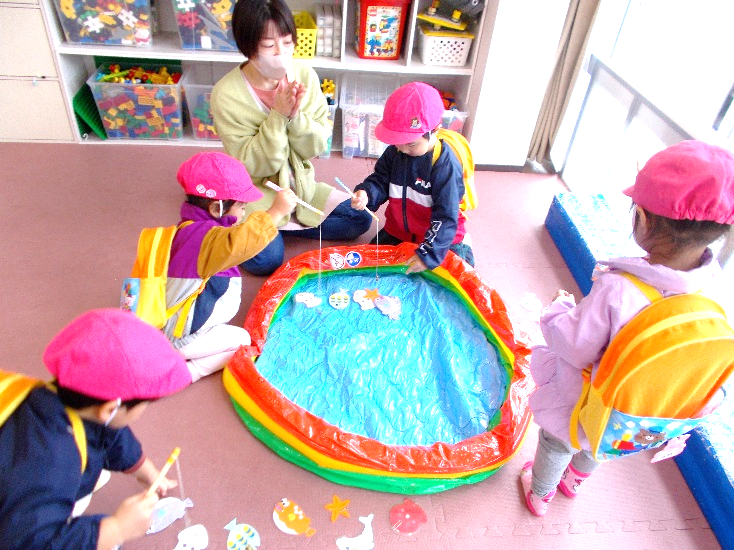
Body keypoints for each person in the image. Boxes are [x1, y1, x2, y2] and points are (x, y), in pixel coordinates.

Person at [521, 140, 734, 516]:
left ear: (643, 220)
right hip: (632, 412)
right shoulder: (711, 288)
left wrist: (558, 309)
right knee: (596, 445)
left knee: (558, 442)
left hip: (584, 396)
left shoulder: (619, 288)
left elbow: (574, 346)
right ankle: (574, 481)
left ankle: (540, 494)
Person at [0, 309, 193, 549]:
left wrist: (148, 472)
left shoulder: (60, 397)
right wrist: (116, 529)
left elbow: (113, 435)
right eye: (145, 404)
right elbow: (33, 541)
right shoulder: (52, 464)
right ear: (110, 408)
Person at [210, 0, 372, 276]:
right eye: (268, 45)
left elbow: (317, 146)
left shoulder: (305, 75)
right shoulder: (226, 94)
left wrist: (295, 116)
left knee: (359, 219)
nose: (281, 53)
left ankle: (282, 226)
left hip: (301, 188)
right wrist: (278, 116)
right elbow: (253, 166)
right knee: (266, 261)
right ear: (248, 45)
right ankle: (271, 224)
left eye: (287, 43)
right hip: (259, 193)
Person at [167, 151, 297, 382]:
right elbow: (240, 243)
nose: (245, 211)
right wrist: (275, 212)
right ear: (216, 208)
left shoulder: (189, 227)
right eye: (242, 206)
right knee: (242, 340)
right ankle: (185, 372)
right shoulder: (207, 240)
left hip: (163, 317)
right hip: (178, 334)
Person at [349, 82, 475, 274]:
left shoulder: (445, 166)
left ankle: (460, 248)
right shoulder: (396, 152)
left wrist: (429, 254)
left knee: (456, 276)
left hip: (440, 237)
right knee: (367, 268)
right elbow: (381, 179)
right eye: (397, 142)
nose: (402, 149)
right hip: (398, 232)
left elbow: (445, 216)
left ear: (435, 130)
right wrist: (367, 193)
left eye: (411, 144)